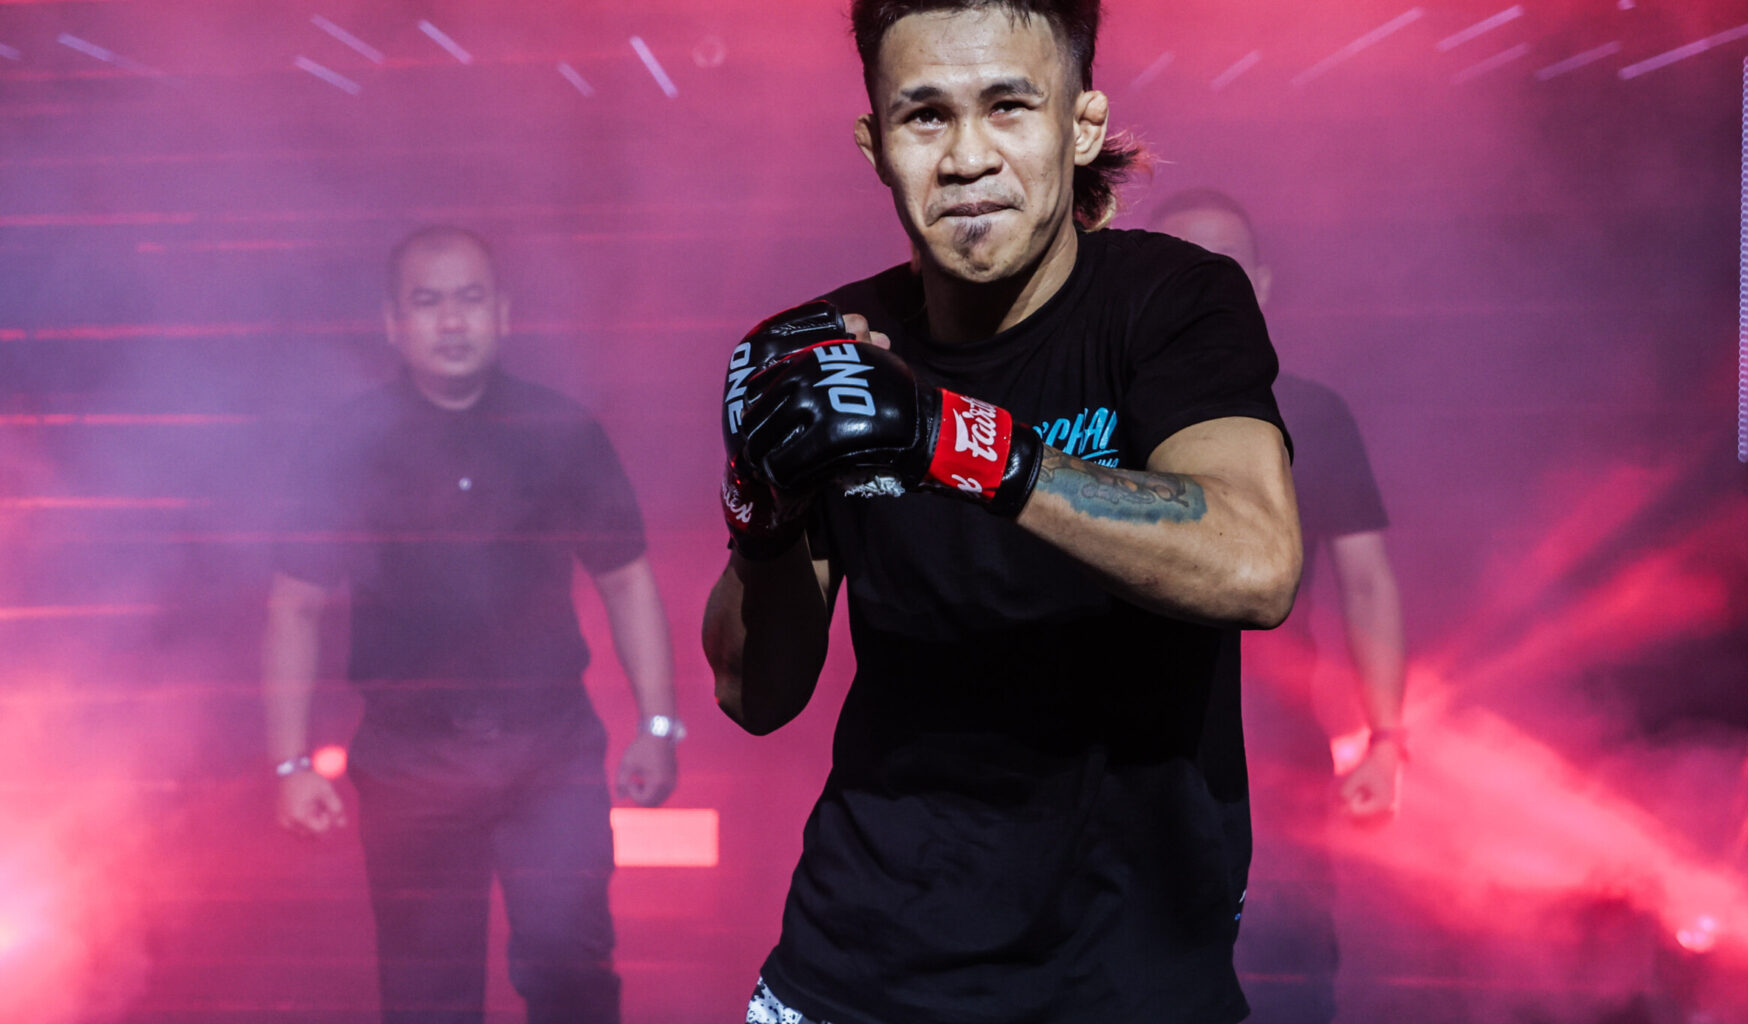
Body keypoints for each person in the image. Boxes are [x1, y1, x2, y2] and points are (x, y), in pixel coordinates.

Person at [702, 2, 1304, 1022]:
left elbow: (1254, 562)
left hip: (1131, 971)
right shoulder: (839, 350)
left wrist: (950, 439)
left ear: (1080, 127)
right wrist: (759, 499)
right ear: (876, 146)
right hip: (861, 969)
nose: (969, 158)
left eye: (1009, 108)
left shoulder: (1171, 301)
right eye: (926, 117)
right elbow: (756, 694)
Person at [262, 225, 679, 1024]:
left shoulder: (560, 431)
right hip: (408, 759)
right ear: (393, 322)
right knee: (426, 997)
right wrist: (288, 766)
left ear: (503, 314)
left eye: (470, 299)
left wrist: (660, 724)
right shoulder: (344, 445)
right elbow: (296, 605)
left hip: (549, 751)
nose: (451, 321)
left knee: (571, 974)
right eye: (428, 302)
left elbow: (626, 581)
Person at [1153, 188, 1409, 1024]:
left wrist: (1386, 738)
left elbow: (1367, 583)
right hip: (1131, 761)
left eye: (1225, 267)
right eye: (1186, 266)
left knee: (1286, 978)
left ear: (1261, 285)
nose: (1208, 284)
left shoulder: (1315, 414)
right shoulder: (1101, 409)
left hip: (1277, 765)